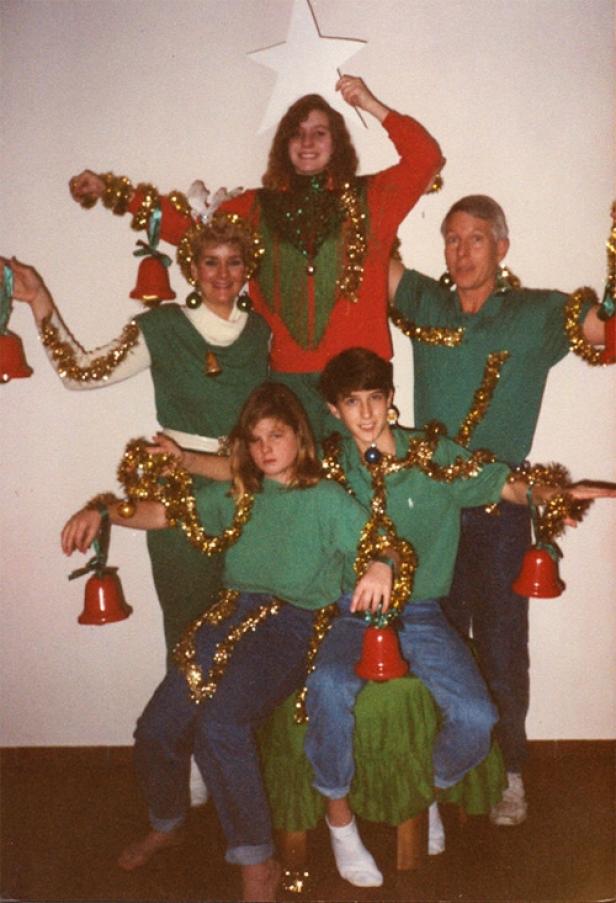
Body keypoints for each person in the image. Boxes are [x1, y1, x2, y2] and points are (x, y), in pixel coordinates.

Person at [60, 382, 398, 903]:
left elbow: (385, 543)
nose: (266, 447)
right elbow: (162, 514)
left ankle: (256, 859)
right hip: (229, 615)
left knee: (220, 721)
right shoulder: (239, 493)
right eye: (256, 438)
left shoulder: (327, 498)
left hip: (292, 624)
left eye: (276, 435)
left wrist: (379, 562)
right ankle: (168, 821)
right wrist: (103, 512)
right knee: (156, 728)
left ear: (298, 438)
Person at [305, 347, 615, 876]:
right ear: (333, 409)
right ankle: (340, 820)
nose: (366, 413)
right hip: (351, 611)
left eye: (375, 398)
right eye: (351, 402)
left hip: (421, 614)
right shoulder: (327, 467)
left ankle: (424, 793)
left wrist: (545, 491)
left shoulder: (431, 455)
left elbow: (501, 483)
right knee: (329, 687)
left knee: (478, 717)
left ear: (391, 399)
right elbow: (255, 468)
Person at [4, 214, 270, 806]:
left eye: (234, 261)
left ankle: (249, 763)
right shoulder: (164, 326)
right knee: (188, 636)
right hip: (175, 501)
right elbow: (80, 372)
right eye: (210, 261)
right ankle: (199, 758)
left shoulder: (267, 334)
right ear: (191, 269)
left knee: (253, 637)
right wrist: (39, 298)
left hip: (252, 498)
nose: (223, 273)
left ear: (247, 268)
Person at [388, 194, 612, 825]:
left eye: (476, 239)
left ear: (502, 247)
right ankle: (445, 769)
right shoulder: (427, 302)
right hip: (428, 510)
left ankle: (510, 772)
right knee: (433, 643)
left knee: (504, 645)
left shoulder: (537, 314)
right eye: (451, 239)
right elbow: (369, 251)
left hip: (502, 509)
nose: (461, 252)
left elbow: (602, 330)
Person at [68, 75, 444, 436]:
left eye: (319, 132)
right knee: (296, 493)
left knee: (366, 491)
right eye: (296, 133)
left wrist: (369, 103)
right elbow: (191, 230)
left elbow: (426, 158)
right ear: (283, 144)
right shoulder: (254, 208)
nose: (307, 141)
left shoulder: (372, 199)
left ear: (337, 142)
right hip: (288, 380)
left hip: (359, 380)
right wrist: (113, 191)